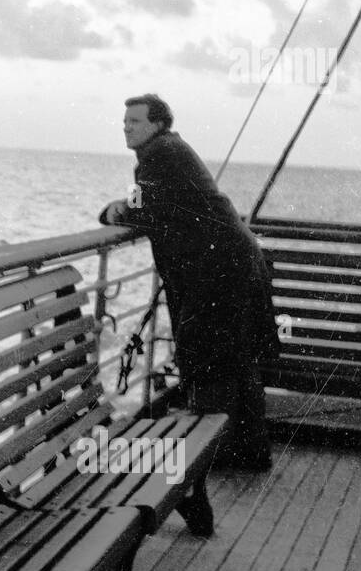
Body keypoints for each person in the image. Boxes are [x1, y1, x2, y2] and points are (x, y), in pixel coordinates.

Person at [99, 93, 279, 473]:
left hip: (218, 273)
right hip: (232, 264)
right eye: (125, 121)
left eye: (135, 121)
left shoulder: (160, 153)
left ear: (158, 124)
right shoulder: (163, 152)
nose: (126, 127)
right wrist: (125, 205)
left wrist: (113, 211)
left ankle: (211, 454)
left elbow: (142, 207)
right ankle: (248, 451)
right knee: (234, 362)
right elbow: (148, 200)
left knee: (206, 361)